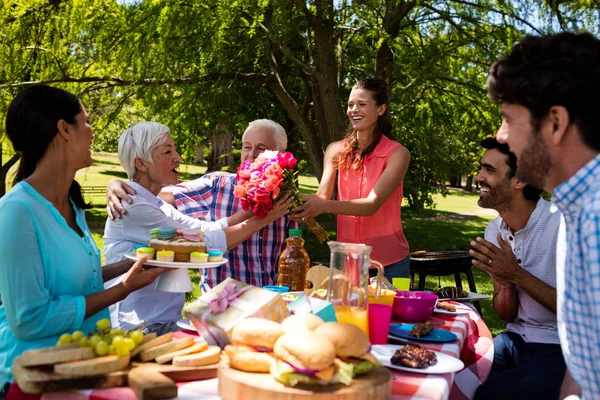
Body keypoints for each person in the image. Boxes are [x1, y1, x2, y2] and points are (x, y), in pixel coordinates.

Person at [0, 86, 167, 394]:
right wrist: (122, 290)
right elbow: (29, 319)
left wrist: (132, 264)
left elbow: (76, 280)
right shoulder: (16, 211)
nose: (92, 132)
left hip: (84, 371)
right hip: (37, 380)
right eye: (86, 121)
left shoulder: (72, 203)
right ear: (64, 129)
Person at [489, 32, 600, 399]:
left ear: (555, 122)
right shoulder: (576, 213)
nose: (501, 137)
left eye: (508, 120)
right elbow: (583, 367)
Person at [103, 122, 292, 333]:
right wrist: (261, 221)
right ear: (141, 163)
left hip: (160, 322)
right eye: (168, 151)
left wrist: (256, 207)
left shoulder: (156, 204)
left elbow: (204, 229)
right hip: (136, 327)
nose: (178, 157)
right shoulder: (134, 205)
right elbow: (203, 243)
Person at [469, 137, 565, 399]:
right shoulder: (494, 230)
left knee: (491, 394)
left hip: (560, 346)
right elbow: (507, 315)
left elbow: (582, 310)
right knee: (456, 371)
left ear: (519, 180)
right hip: (514, 339)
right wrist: (504, 280)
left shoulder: (562, 225)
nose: (479, 177)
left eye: (489, 170)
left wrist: (516, 274)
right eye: (481, 168)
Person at [292, 78, 411, 283]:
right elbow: (321, 196)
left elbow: (371, 205)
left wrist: (325, 206)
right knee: (346, 315)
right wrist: (285, 194)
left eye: (362, 104)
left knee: (389, 316)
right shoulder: (335, 150)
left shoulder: (397, 154)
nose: (353, 110)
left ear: (381, 109)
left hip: (390, 264)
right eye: (350, 104)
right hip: (347, 263)